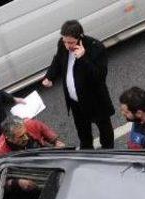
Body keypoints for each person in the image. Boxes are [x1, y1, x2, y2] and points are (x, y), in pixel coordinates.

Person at [42, 20, 114, 150]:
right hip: (75, 101)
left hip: (95, 100)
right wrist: (49, 76)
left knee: (104, 129)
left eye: (70, 42)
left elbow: (99, 76)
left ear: (80, 36)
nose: (67, 45)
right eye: (64, 41)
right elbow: (58, 59)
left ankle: (108, 151)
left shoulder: (96, 47)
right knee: (83, 131)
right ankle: (87, 151)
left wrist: (83, 57)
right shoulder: (62, 44)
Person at [0, 116, 65, 158]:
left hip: (42, 152)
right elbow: (0, 177)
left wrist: (56, 142)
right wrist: (17, 182)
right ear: (9, 138)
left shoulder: (30, 124)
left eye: (26, 133)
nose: (26, 138)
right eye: (21, 136)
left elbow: (44, 129)